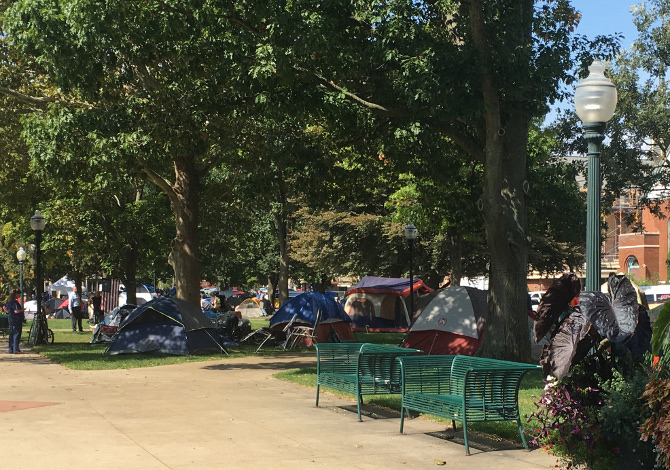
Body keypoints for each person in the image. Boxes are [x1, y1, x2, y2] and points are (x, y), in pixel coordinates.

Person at [6, 288, 24, 354]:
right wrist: (22, 310)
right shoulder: (15, 302)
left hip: (10, 318)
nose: (19, 296)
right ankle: (15, 349)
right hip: (16, 319)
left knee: (11, 334)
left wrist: (9, 312)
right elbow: (16, 311)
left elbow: (4, 307)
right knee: (17, 333)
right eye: (19, 295)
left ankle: (11, 349)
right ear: (16, 294)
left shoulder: (8, 301)